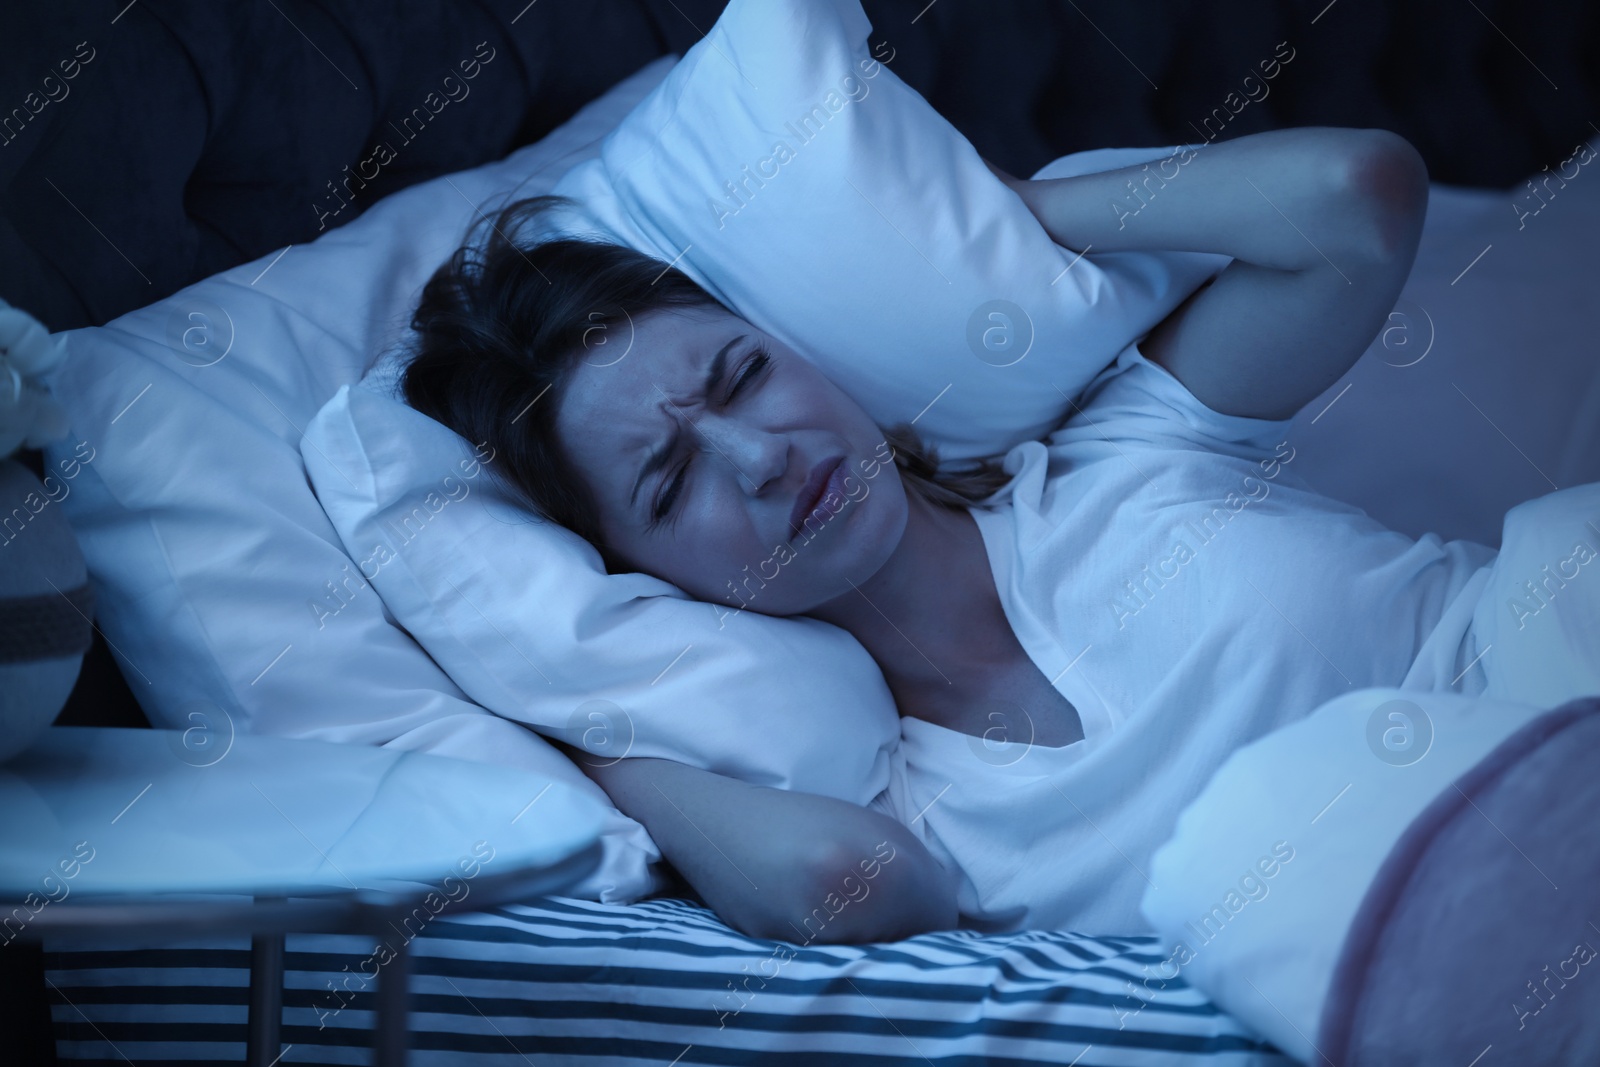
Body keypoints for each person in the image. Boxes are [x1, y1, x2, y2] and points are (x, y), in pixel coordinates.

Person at [400, 126, 1590, 942]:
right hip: (1471, 928)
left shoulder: (1116, 456)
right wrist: (608, 750)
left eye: (742, 372)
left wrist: (980, 228)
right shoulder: (906, 801)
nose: (759, 456)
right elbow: (841, 887)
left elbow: (1355, 199)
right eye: (668, 482)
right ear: (632, 568)